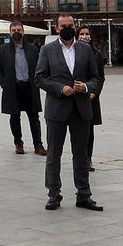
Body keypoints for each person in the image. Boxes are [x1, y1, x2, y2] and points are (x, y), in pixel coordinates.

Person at [34, 14, 103, 211]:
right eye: (63, 25)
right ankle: (54, 194)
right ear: (56, 28)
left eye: (70, 25)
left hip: (81, 108)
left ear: (75, 26)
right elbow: (39, 78)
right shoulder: (47, 50)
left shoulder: (85, 49)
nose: (67, 28)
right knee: (54, 153)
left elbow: (95, 78)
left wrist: (87, 87)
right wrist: (59, 88)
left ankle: (84, 194)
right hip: (57, 108)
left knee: (81, 154)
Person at [0, 21, 45, 156]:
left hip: (30, 87)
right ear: (10, 33)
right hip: (13, 87)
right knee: (14, 116)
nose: (16, 32)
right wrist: (3, 84)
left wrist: (38, 82)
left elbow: (40, 67)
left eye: (19, 29)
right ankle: (18, 143)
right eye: (14, 30)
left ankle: (38, 144)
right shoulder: (3, 50)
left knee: (34, 117)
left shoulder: (33, 49)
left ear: (23, 31)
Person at [78, 27, 105, 172]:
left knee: (89, 130)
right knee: (77, 129)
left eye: (87, 34)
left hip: (91, 97)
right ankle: (79, 158)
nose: (84, 36)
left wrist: (94, 92)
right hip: (76, 95)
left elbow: (100, 77)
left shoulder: (97, 54)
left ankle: (88, 159)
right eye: (81, 34)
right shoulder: (72, 52)